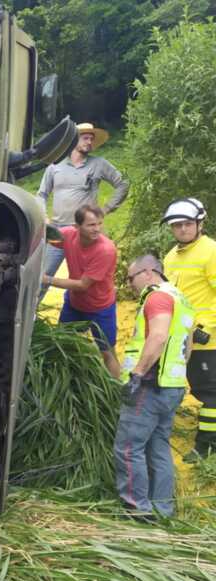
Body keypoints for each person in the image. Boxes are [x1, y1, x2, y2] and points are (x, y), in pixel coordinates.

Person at [114, 254, 194, 519]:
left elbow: (158, 336)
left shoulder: (157, 296)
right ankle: (163, 509)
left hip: (149, 385)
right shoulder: (180, 298)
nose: (130, 284)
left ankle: (137, 509)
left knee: (128, 447)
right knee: (158, 445)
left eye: (131, 278)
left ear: (148, 273)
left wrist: (137, 374)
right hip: (173, 385)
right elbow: (188, 346)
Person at [37, 123, 130, 296]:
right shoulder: (54, 166)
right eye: (85, 138)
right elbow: (41, 194)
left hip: (86, 234)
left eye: (91, 139)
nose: (89, 142)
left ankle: (86, 316)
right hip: (58, 232)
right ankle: (31, 317)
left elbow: (123, 183)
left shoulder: (98, 164)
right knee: (42, 278)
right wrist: (43, 216)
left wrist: (106, 208)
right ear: (72, 140)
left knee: (88, 281)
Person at [161, 197, 216, 461]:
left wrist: (206, 327)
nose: (182, 229)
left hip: (207, 338)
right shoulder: (170, 257)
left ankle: (206, 446)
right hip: (181, 336)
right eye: (176, 226)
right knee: (197, 388)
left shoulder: (211, 251)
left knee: (209, 392)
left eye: (186, 224)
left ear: (199, 223)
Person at [41, 203, 122, 378]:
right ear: (76, 227)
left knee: (107, 353)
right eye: (91, 225)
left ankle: (116, 392)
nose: (97, 229)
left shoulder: (105, 250)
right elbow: (46, 236)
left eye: (100, 224)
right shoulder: (68, 235)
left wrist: (46, 279)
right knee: (61, 343)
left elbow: (82, 285)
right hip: (75, 304)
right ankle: (68, 379)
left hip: (100, 308)